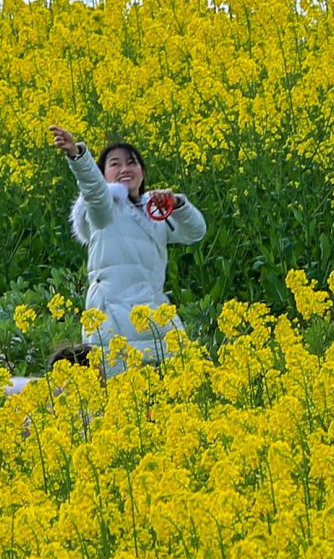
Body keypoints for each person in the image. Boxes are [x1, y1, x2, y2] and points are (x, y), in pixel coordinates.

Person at [12, 126, 205, 387]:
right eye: (114, 164)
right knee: (117, 395)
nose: (125, 168)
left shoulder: (155, 215)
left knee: (173, 390)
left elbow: (195, 232)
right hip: (113, 318)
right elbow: (93, 190)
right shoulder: (104, 211)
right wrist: (78, 156)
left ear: (143, 172)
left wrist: (178, 205)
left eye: (132, 162)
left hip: (155, 315)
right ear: (104, 176)